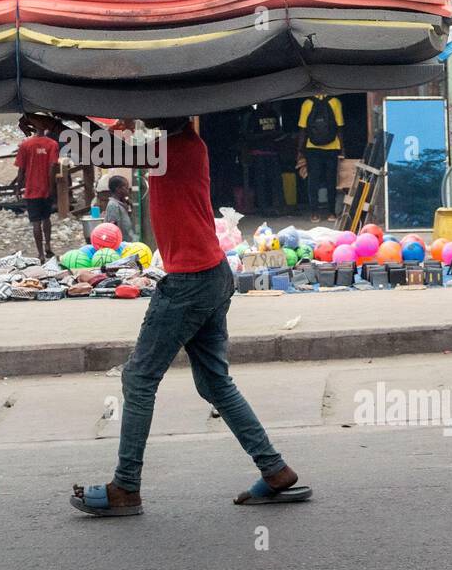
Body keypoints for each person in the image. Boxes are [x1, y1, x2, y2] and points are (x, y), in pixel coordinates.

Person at [70, 117, 308, 516]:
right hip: (212, 274)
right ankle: (274, 468)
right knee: (215, 382)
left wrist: (60, 124)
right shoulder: (184, 143)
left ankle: (126, 486)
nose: (143, 119)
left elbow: (105, 151)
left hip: (190, 282)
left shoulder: (174, 148)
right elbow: (114, 147)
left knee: (139, 377)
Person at [11, 117, 60, 259]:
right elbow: (52, 167)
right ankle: (48, 246)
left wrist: (18, 187)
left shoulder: (25, 145)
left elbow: (21, 170)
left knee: (36, 223)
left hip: (31, 190)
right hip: (46, 189)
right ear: (46, 126)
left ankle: (40, 254)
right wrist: (51, 188)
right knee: (47, 218)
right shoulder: (52, 144)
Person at [296, 93, 344, 221]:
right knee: (331, 180)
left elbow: (303, 130)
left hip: (312, 148)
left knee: (313, 181)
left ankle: (314, 213)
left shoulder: (307, 103)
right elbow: (339, 128)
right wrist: (343, 149)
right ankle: (331, 213)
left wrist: (300, 150)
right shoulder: (335, 102)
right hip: (332, 147)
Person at [239, 102, 284, 213]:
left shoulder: (274, 114)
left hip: (273, 152)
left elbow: (280, 131)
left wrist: (275, 134)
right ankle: (263, 208)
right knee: (260, 181)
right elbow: (247, 135)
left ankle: (278, 206)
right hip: (258, 152)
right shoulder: (253, 116)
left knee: (276, 181)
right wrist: (265, 135)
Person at [100, 174, 137, 243]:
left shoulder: (121, 203)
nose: (127, 190)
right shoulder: (113, 205)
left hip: (127, 241)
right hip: (120, 244)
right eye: (125, 187)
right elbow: (113, 226)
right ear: (118, 189)